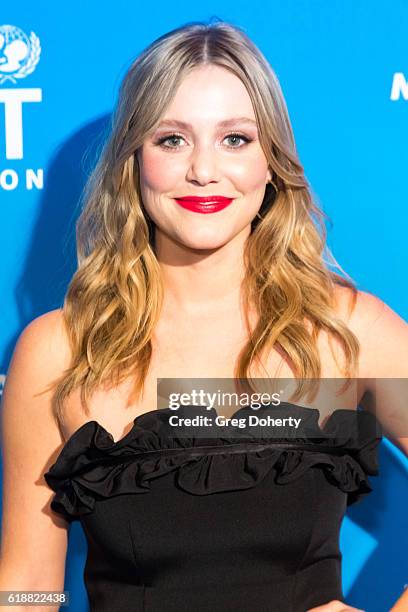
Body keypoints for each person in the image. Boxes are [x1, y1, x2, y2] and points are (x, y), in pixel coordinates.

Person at [0, 19, 407, 612]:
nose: (203, 171)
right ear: (133, 161)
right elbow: (26, 584)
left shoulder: (345, 333)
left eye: (235, 139)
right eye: (172, 139)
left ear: (272, 161)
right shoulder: (60, 352)